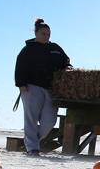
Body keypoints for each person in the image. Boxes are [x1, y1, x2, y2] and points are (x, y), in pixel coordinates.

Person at [14, 18, 71, 157]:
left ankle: (31, 139)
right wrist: (21, 84)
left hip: (51, 88)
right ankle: (32, 148)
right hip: (30, 87)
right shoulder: (28, 50)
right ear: (36, 33)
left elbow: (66, 62)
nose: (46, 36)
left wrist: (69, 69)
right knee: (31, 118)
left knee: (50, 121)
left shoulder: (55, 48)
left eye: (48, 34)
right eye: (43, 34)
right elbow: (19, 67)